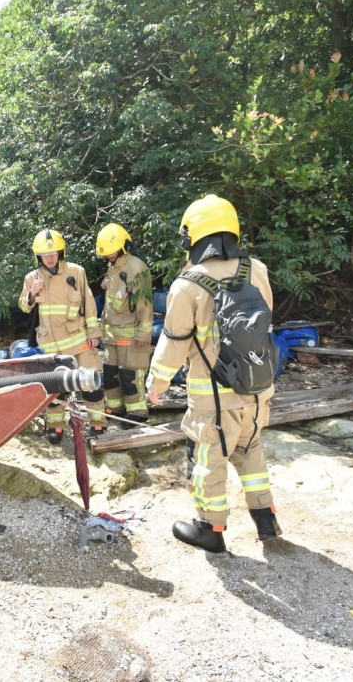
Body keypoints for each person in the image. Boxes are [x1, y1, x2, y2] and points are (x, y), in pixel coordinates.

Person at [147, 195, 281, 553]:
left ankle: (210, 529)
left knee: (208, 459)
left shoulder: (187, 285)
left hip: (213, 397)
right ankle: (265, 516)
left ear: (193, 236)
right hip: (257, 387)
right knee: (250, 448)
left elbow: (174, 343)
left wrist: (156, 385)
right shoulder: (257, 269)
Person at [18, 228, 106, 442]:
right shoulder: (32, 278)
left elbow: (89, 303)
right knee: (54, 389)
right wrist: (32, 293)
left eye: (53, 253)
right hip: (51, 345)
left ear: (60, 253)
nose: (49, 258)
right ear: (37, 256)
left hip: (79, 341)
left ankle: (98, 424)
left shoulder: (76, 272)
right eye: (44, 255)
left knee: (91, 383)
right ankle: (55, 427)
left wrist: (94, 332)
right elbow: (23, 307)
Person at [96, 222, 153, 426]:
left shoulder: (136, 267)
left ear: (123, 247)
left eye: (112, 253)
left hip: (130, 333)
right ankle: (115, 408)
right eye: (106, 254)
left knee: (130, 375)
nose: (109, 257)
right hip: (111, 333)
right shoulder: (114, 266)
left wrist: (143, 335)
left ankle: (137, 413)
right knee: (111, 374)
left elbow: (144, 304)